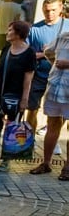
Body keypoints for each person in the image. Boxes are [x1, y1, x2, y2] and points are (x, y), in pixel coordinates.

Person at [0, 20, 35, 171]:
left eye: (10, 30)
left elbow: (28, 78)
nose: (7, 32)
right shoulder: (6, 48)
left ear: (19, 34)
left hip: (16, 95)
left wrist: (24, 99)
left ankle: (6, 159)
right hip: (0, 93)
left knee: (11, 127)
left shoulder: (29, 53)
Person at [30, 30, 69, 180]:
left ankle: (67, 167)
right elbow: (48, 52)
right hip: (55, 87)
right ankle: (46, 163)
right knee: (52, 124)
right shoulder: (63, 36)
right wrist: (55, 64)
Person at [27, 0, 66, 132]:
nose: (50, 14)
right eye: (46, 11)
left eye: (53, 10)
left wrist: (48, 52)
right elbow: (27, 53)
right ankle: (29, 140)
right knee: (32, 108)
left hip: (62, 77)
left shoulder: (67, 26)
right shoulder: (35, 29)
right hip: (39, 75)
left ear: (61, 8)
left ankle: (52, 137)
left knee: (58, 113)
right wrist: (45, 54)